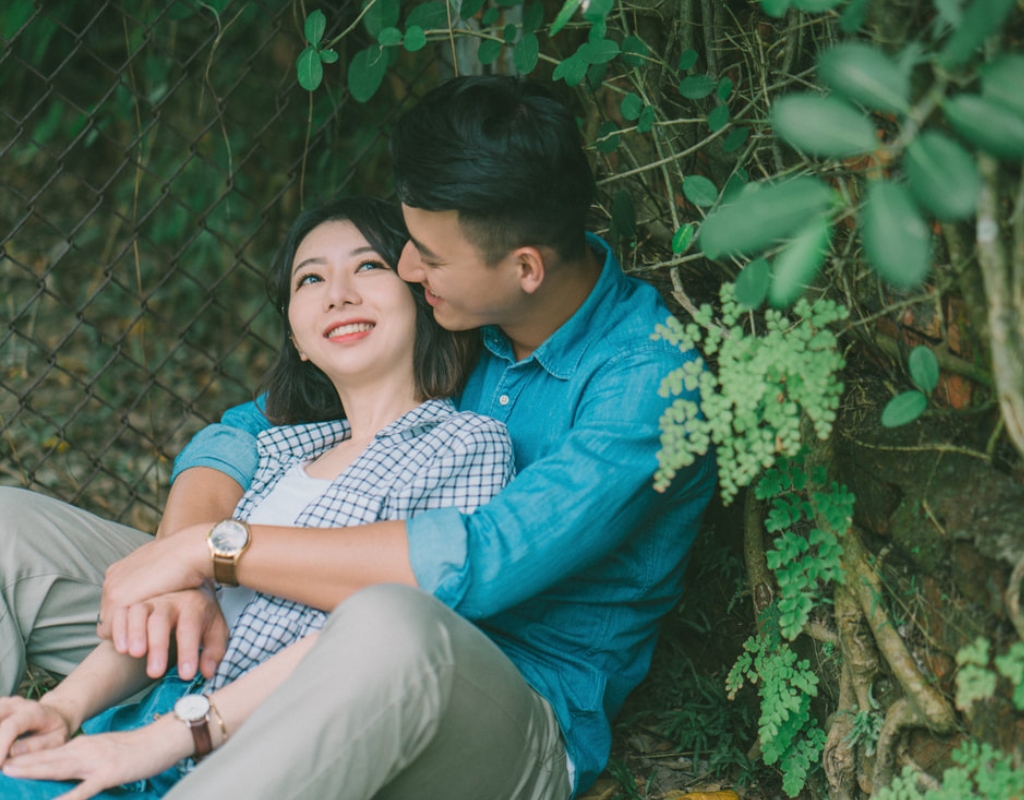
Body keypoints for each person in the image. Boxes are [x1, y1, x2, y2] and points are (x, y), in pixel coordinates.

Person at [0, 76, 716, 800]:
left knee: (389, 622)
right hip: (259, 640)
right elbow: (244, 432)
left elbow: (477, 564)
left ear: (524, 268)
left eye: (427, 259)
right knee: (7, 528)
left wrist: (216, 554)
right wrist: (181, 568)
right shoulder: (468, 308)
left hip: (484, 701)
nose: (409, 271)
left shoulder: (645, 386)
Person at [0, 196, 514, 799]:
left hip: (258, 757)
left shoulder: (464, 443)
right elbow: (171, 615)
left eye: (369, 267)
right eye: (311, 278)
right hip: (141, 736)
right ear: (297, 338)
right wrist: (63, 709)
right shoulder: (277, 453)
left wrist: (172, 734)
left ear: (424, 298)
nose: (338, 293)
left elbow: (390, 636)